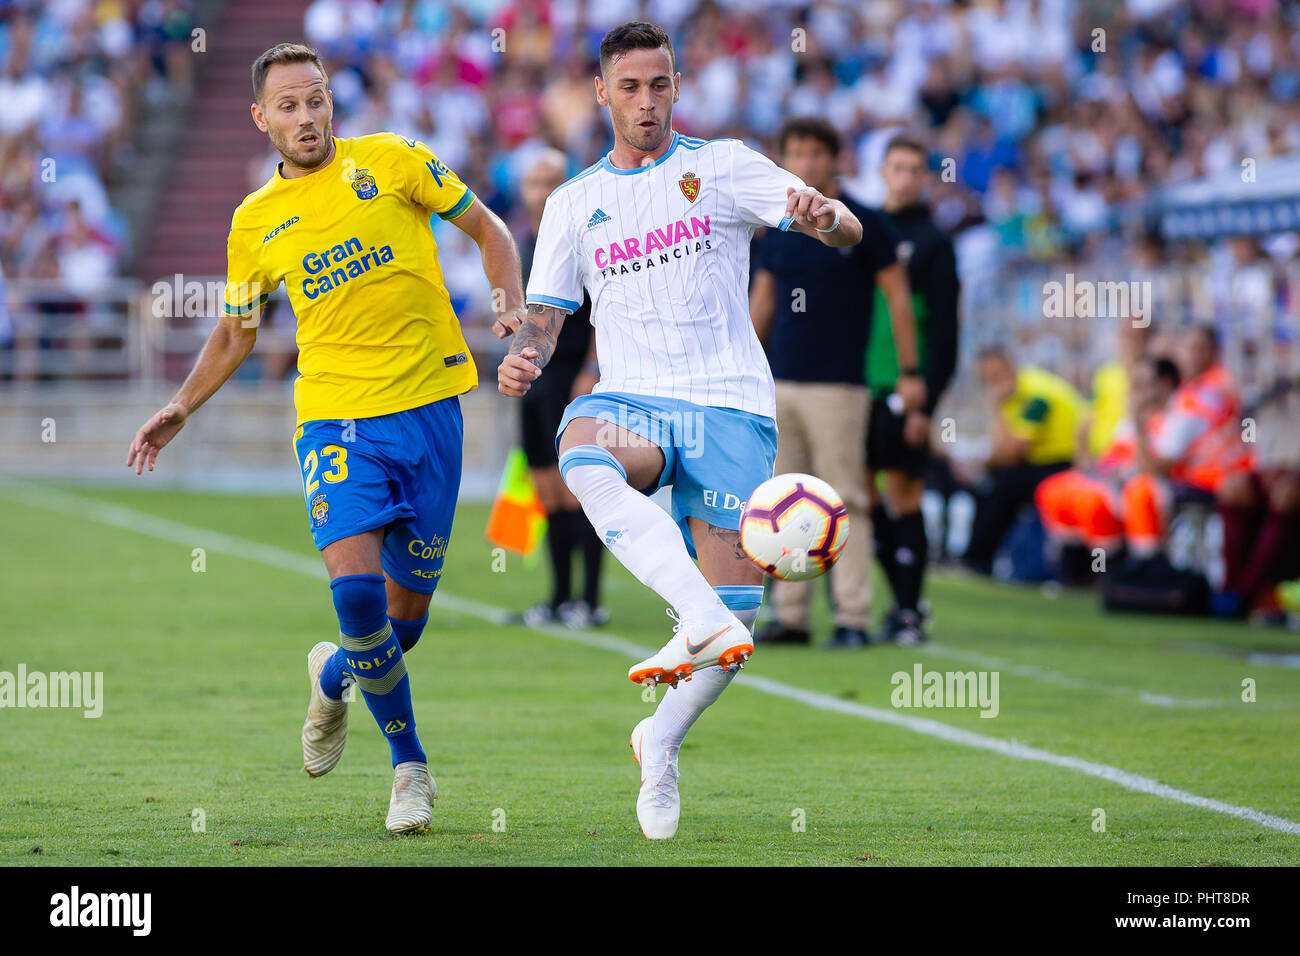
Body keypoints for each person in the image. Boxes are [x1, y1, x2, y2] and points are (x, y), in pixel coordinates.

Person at [125, 43, 525, 834]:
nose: (305, 117)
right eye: (288, 106)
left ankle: (334, 676)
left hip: (433, 409)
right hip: (334, 418)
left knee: (401, 627)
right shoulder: (254, 220)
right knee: (356, 593)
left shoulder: (394, 160)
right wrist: (183, 404)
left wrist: (508, 302)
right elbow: (239, 332)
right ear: (261, 118)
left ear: (331, 103)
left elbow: (489, 233)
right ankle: (410, 768)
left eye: (315, 101)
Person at [496, 21, 863, 840]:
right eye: (629, 87)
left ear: (676, 86)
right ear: (601, 93)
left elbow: (847, 235)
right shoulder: (572, 203)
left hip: (731, 401)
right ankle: (694, 616)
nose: (646, 101)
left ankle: (658, 738)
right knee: (580, 445)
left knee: (741, 622)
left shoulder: (722, 166)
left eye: (659, 84)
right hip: (634, 395)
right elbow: (547, 322)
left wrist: (824, 213)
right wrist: (525, 357)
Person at [749, 118, 924, 649]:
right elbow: (764, 301)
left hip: (841, 385)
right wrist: (749, 364)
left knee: (847, 497)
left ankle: (853, 616)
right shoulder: (779, 227)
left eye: (815, 153)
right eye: (795, 151)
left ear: (835, 159)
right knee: (782, 500)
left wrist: (910, 372)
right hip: (781, 378)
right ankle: (792, 615)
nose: (805, 162)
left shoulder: (866, 224)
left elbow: (898, 299)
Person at [865, 134, 960, 644]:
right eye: (896, 167)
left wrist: (929, 395)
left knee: (903, 490)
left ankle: (908, 609)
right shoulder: (863, 227)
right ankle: (898, 599)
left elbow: (945, 330)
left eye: (913, 170)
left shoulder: (934, 243)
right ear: (882, 170)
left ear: (925, 178)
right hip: (858, 385)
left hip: (906, 390)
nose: (904, 177)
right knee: (860, 493)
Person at [515, 149, 606, 628]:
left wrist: (591, 368)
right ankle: (557, 597)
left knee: (577, 487)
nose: (542, 191)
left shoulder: (579, 239)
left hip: (570, 370)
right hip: (533, 376)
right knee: (546, 488)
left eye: (551, 181)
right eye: (534, 182)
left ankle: (589, 600)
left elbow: (600, 310)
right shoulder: (524, 242)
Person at [1035, 354, 1181, 562]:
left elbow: (1153, 471)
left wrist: (1140, 429)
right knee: (1052, 490)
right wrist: (1082, 442)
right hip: (1112, 484)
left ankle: (1115, 570)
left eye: (1142, 385)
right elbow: (1098, 467)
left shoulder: (1175, 421)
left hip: (1143, 491)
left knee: (1094, 502)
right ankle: (1073, 573)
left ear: (1164, 387)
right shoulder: (1126, 424)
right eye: (1134, 386)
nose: (1135, 393)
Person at [962, 346, 1084, 574]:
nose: (994, 386)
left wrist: (994, 408)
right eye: (988, 380)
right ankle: (979, 557)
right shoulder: (1017, 395)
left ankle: (979, 559)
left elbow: (1010, 454)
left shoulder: (1038, 395)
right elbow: (1002, 450)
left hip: (1065, 465)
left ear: (1010, 366)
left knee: (1000, 485)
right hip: (1043, 464)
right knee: (992, 480)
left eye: (997, 377)